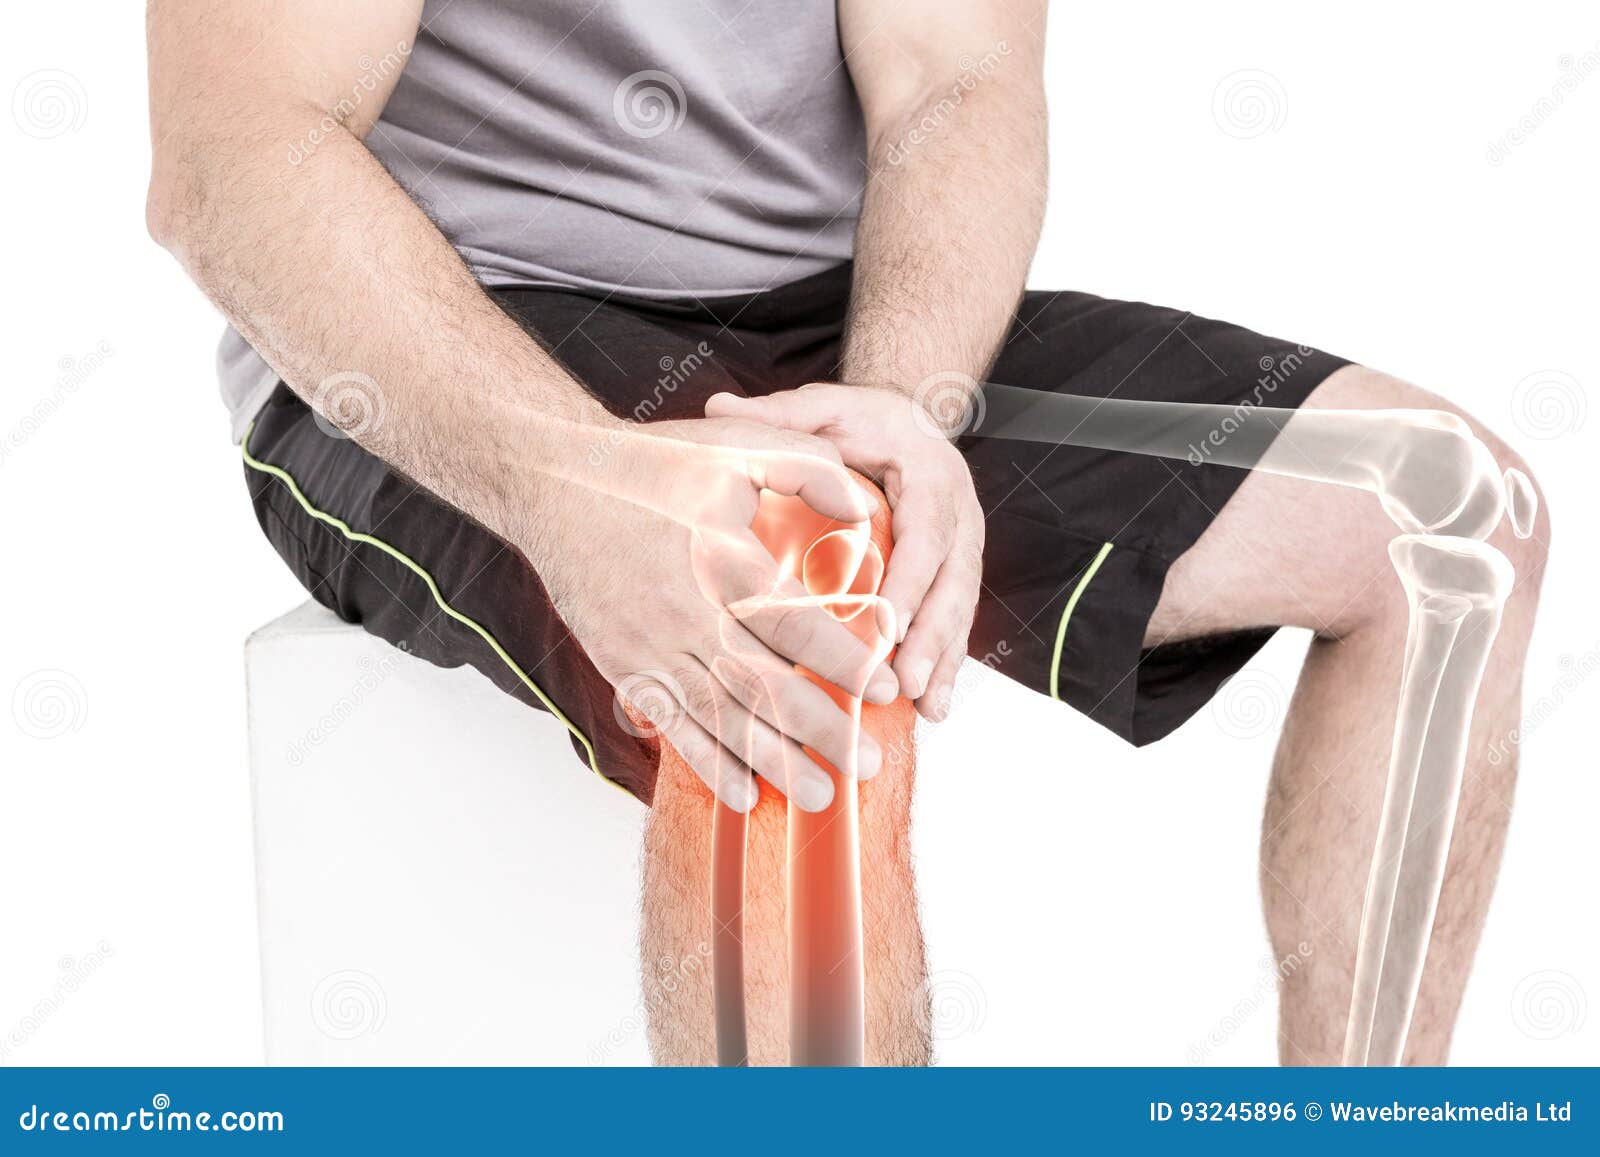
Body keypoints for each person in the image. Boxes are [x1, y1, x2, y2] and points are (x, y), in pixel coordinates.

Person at [146, 0, 1548, 1064]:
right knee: (789, 606)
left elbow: (959, 80)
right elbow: (234, 160)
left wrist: (897, 415)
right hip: (453, 326)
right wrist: (577, 486)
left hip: (833, 314)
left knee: (1447, 519)